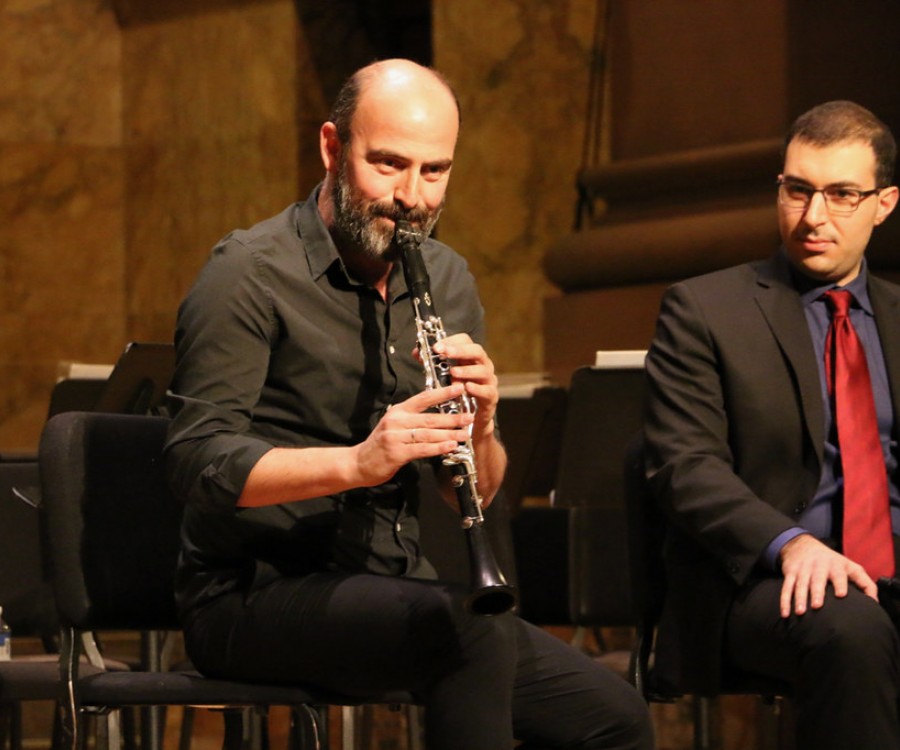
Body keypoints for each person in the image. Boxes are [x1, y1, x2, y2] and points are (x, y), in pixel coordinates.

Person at [164, 58, 653, 750]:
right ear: (333, 148)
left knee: (612, 717)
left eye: (434, 171)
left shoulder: (447, 278)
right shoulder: (248, 274)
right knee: (467, 632)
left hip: (398, 585)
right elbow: (195, 462)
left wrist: (482, 427)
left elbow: (471, 493)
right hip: (252, 595)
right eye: (388, 164)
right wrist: (360, 463)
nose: (411, 196)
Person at [643, 99, 900, 749]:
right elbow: (685, 467)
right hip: (761, 583)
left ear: (885, 203)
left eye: (842, 194)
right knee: (851, 628)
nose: (813, 217)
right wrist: (790, 544)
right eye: (797, 190)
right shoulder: (706, 310)